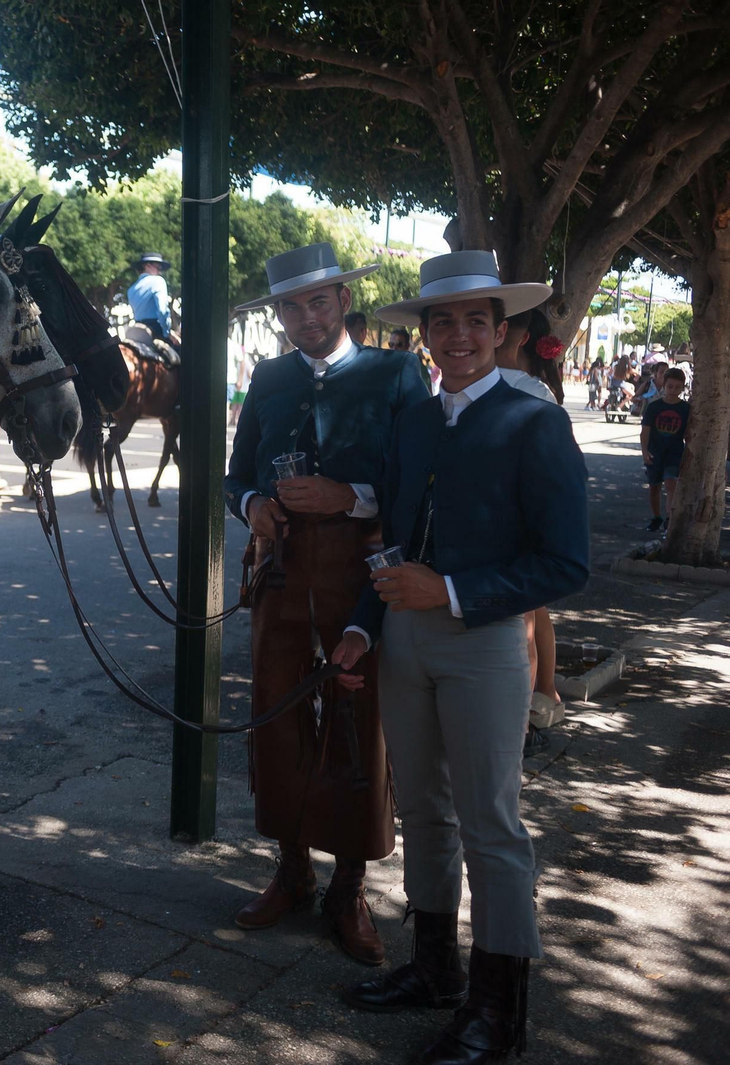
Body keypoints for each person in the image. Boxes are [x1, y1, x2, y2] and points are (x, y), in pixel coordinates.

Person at [331, 250, 589, 1064]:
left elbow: (565, 562)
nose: (459, 334)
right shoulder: (412, 421)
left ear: (502, 330)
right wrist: (364, 625)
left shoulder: (534, 421)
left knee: (492, 825)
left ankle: (499, 1011)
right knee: (425, 810)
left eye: (476, 319)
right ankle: (434, 967)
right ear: (428, 334)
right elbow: (393, 542)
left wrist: (445, 590)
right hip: (405, 639)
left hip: (483, 642)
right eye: (444, 320)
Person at [225, 243, 431, 967]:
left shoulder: (395, 372)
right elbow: (234, 475)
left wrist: (351, 496)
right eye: (289, 304)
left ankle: (349, 885)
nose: (304, 316)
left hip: (358, 572)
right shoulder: (269, 376)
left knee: (357, 720)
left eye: (318, 301)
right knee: (276, 716)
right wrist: (252, 504)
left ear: (345, 301)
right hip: (280, 572)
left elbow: (416, 484)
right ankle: (291, 868)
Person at [493, 307, 568, 749]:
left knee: (521, 617)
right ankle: (544, 695)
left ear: (515, 336)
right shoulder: (529, 386)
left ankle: (520, 715)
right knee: (534, 612)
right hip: (516, 516)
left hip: (519, 517)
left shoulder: (530, 390)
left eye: (499, 325)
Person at [641, 367, 690, 532]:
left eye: (677, 387)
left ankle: (670, 518)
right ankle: (656, 517)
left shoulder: (686, 409)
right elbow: (645, 431)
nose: (673, 390)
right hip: (655, 452)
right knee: (654, 486)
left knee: (671, 483)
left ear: (683, 387)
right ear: (664, 385)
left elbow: (689, 434)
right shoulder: (654, 407)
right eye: (670, 386)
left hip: (674, 453)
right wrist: (644, 451)